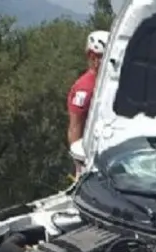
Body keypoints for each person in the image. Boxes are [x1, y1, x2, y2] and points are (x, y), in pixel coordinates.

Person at [67, 30, 109, 173]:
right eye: (99, 57)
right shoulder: (84, 89)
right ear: (91, 57)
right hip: (88, 158)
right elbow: (75, 127)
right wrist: (80, 165)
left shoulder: (104, 82)